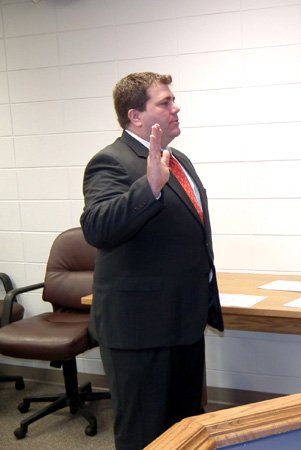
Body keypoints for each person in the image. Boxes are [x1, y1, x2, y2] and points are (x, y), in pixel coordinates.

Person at [80, 72, 223, 449]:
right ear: (136, 116)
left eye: (173, 100)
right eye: (164, 102)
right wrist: (150, 187)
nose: (176, 107)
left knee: (185, 428)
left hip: (183, 321)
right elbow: (97, 228)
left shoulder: (179, 160)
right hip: (140, 330)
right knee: (146, 434)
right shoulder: (110, 161)